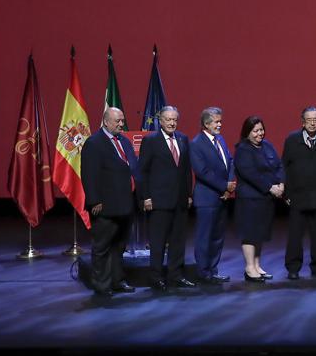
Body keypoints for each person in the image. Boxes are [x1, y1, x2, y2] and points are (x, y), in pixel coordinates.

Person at [137, 105, 194, 290]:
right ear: (160, 121)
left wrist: (188, 194)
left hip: (180, 200)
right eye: (168, 119)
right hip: (158, 200)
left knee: (178, 241)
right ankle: (156, 278)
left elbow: (186, 170)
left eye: (174, 120)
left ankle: (176, 276)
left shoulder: (183, 139)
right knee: (158, 242)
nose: (172, 123)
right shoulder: (151, 140)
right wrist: (145, 197)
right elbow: (142, 172)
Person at [82, 107, 138, 296]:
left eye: (122, 120)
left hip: (125, 205)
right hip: (104, 206)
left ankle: (117, 281)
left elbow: (131, 168)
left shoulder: (124, 141)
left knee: (119, 246)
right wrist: (94, 200)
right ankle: (102, 285)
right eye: (117, 121)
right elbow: (89, 175)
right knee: (102, 247)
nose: (121, 124)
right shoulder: (94, 143)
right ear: (106, 121)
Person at [281, 106, 316, 280]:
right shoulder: (292, 139)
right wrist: (286, 193)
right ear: (302, 122)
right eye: (309, 120)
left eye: (315, 120)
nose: (312, 123)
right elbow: (285, 167)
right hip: (297, 196)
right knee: (295, 235)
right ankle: (293, 268)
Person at [233, 116, 284, 282]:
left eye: (261, 130)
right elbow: (250, 174)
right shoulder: (242, 149)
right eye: (255, 131)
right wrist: (270, 187)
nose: (259, 134)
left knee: (260, 233)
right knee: (250, 233)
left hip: (265, 199)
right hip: (250, 199)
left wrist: (281, 183)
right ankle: (249, 267)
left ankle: (257, 265)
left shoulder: (267, 146)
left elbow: (279, 165)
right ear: (247, 132)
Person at [190, 106, 235, 284]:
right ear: (206, 124)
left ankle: (213, 270)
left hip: (222, 197)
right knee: (205, 237)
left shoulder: (220, 139)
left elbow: (230, 161)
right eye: (217, 122)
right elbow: (202, 172)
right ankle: (203, 272)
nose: (220, 125)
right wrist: (224, 186)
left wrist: (230, 184)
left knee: (217, 237)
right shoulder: (196, 144)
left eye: (220, 121)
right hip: (207, 199)